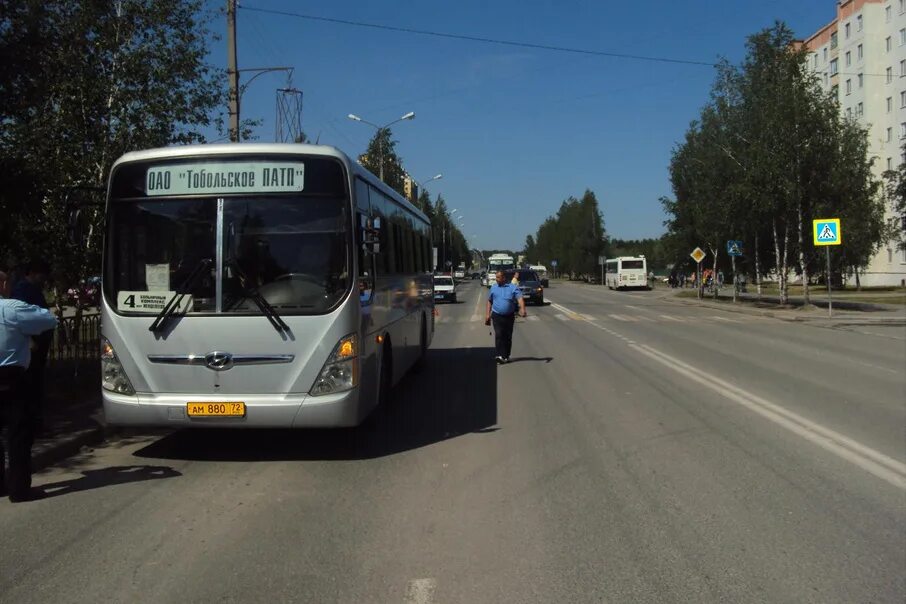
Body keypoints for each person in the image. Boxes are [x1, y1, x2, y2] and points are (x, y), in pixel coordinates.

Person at [1, 266, 58, 502]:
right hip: (10, 379)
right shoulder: (12, 309)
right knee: (19, 436)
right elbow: (48, 319)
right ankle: (19, 489)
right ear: (4, 286)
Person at [10, 259, 53, 434]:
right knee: (31, 387)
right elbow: (20, 318)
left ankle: (35, 423)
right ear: (34, 274)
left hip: (37, 347)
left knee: (35, 385)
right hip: (31, 348)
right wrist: (30, 340)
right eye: (42, 275)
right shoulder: (23, 290)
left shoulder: (32, 289)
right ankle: (32, 425)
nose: (44, 280)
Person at [485, 270, 526, 364]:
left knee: (507, 336)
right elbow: (489, 301)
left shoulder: (512, 287)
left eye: (498, 277)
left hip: (509, 316)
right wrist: (487, 315)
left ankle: (506, 355)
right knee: (499, 334)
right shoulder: (493, 287)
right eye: (496, 277)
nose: (496, 279)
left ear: (504, 278)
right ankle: (499, 355)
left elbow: (520, 298)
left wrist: (522, 309)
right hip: (496, 315)